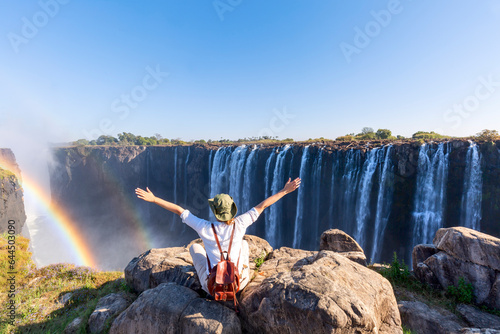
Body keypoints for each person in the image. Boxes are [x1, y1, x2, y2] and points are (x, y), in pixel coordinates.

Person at [135, 177, 301, 294]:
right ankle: (240, 276)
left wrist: (154, 199)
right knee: (243, 245)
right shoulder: (241, 223)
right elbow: (262, 206)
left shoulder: (204, 227)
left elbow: (179, 210)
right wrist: (284, 191)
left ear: (215, 212)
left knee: (194, 247)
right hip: (238, 285)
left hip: (212, 287)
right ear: (232, 210)